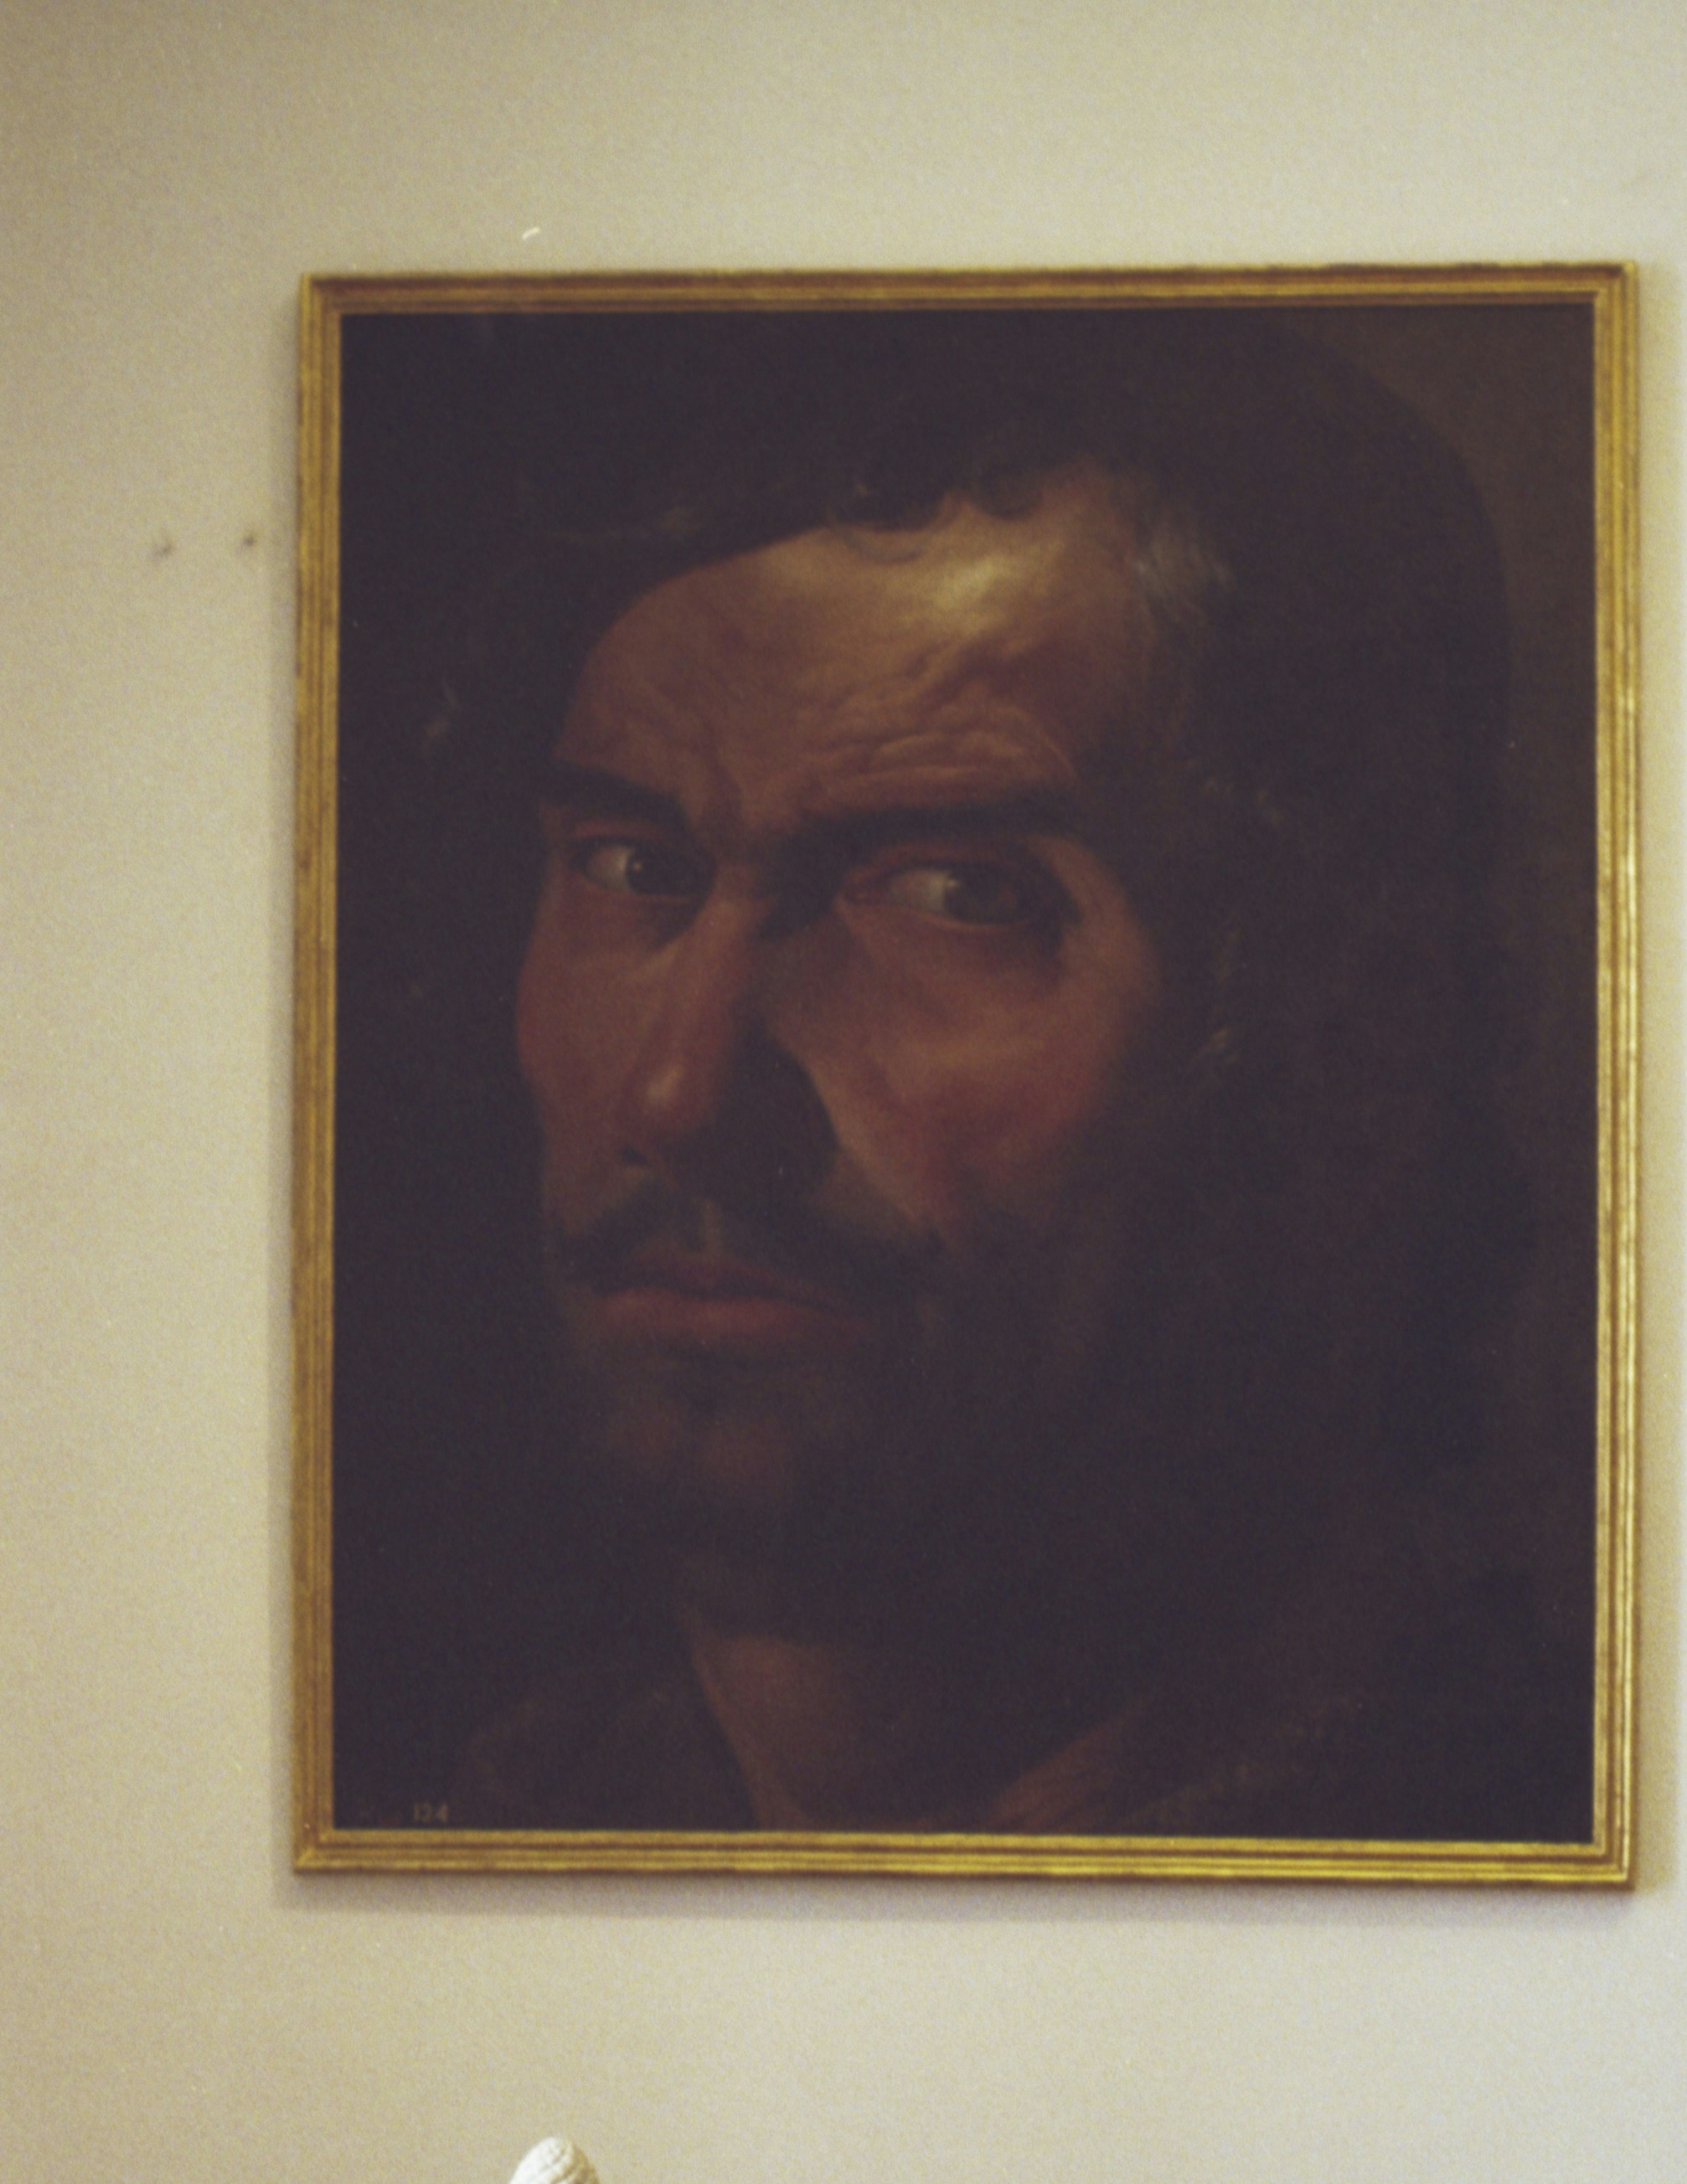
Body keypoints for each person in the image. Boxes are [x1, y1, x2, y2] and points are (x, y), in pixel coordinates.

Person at [390, 313, 1598, 1846]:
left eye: (955, 897)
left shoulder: (1506, 1825)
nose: (682, 1095)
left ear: (1356, 1043)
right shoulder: (501, 1825)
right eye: (635, 868)